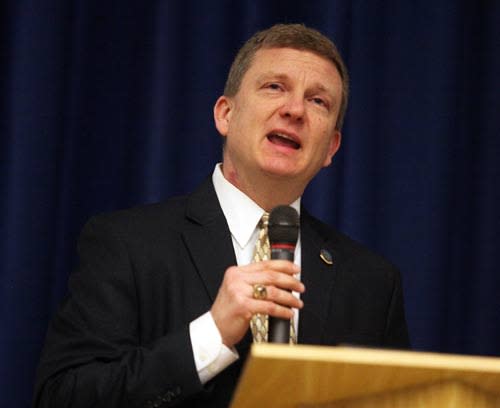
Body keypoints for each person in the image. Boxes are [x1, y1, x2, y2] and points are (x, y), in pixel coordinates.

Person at [34, 24, 410, 408]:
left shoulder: (372, 284)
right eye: (274, 87)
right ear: (225, 115)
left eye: (318, 101)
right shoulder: (128, 244)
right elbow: (63, 397)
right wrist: (211, 335)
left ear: (331, 148)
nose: (294, 109)